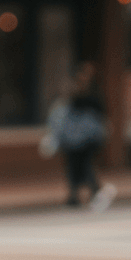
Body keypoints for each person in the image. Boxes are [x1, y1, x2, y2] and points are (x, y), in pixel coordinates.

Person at [45, 63, 117, 210]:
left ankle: (95, 191)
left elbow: (101, 115)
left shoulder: (93, 95)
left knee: (86, 165)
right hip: (71, 138)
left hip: (88, 138)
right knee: (72, 166)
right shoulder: (73, 94)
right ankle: (74, 194)